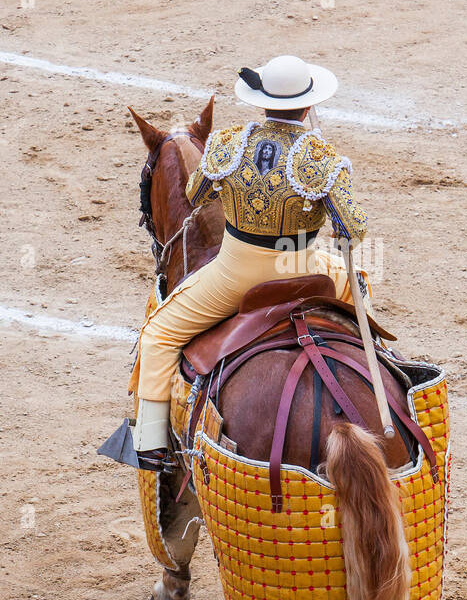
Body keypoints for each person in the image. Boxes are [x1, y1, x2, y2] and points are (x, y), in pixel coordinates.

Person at [129, 55, 368, 461]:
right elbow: (352, 230)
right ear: (308, 106)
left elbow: (195, 195)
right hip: (301, 266)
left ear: (262, 102)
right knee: (356, 284)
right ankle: (377, 361)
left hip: (233, 276)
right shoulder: (322, 158)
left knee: (159, 334)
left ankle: (150, 444)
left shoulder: (229, 143)